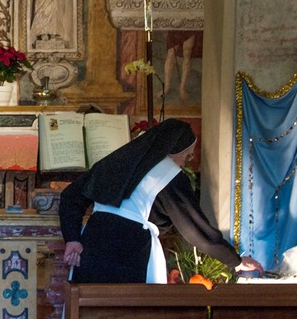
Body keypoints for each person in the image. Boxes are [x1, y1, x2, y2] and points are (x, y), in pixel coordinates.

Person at [59, 119, 264, 283]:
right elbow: (195, 230)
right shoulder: (169, 175)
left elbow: (70, 197)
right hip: (131, 253)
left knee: (86, 312)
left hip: (92, 247)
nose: (184, 163)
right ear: (172, 150)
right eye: (187, 156)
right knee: (129, 316)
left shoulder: (114, 163)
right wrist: (235, 261)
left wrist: (73, 238)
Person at [162, 0, 203, 101]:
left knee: (187, 54)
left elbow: (197, 1)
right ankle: (166, 87)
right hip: (174, 23)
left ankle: (182, 87)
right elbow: (168, 3)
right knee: (170, 54)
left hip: (189, 23)